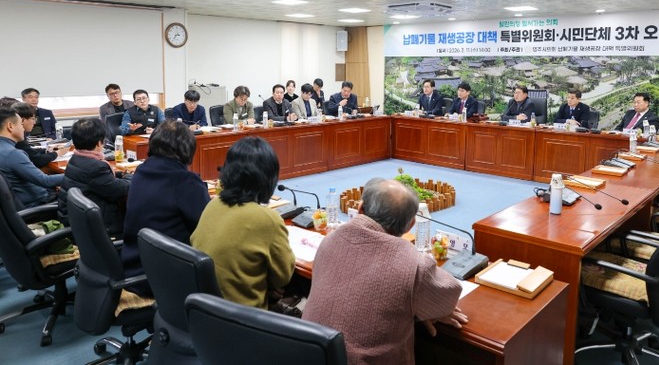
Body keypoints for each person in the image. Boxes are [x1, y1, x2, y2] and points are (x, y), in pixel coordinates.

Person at [303, 177, 467, 364]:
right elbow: (448, 298)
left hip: (308, 356)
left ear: (360, 209)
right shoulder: (414, 263)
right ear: (411, 225)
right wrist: (424, 309)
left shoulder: (330, 239)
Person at [191, 137, 295, 308]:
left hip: (206, 310)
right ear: (269, 178)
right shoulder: (267, 220)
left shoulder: (213, 204)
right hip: (245, 318)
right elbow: (283, 277)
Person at [121, 120, 210, 297]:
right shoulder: (185, 181)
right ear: (187, 149)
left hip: (133, 265)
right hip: (165, 276)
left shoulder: (141, 170)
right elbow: (209, 226)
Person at [57, 118, 130, 234]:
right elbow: (119, 190)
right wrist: (132, 177)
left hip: (76, 220)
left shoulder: (76, 158)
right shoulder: (95, 167)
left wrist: (120, 174)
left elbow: (98, 181)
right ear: (99, 142)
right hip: (98, 228)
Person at [0, 109, 63, 207]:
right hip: (38, 204)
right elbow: (45, 181)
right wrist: (75, 174)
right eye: (21, 124)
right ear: (10, 126)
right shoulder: (13, 154)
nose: (23, 129)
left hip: (18, 203)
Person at [12, 102, 69, 168]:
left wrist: (48, 150)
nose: (34, 122)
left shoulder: (16, 134)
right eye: (33, 119)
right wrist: (58, 153)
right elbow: (37, 160)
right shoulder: (18, 137)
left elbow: (29, 152)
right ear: (22, 120)